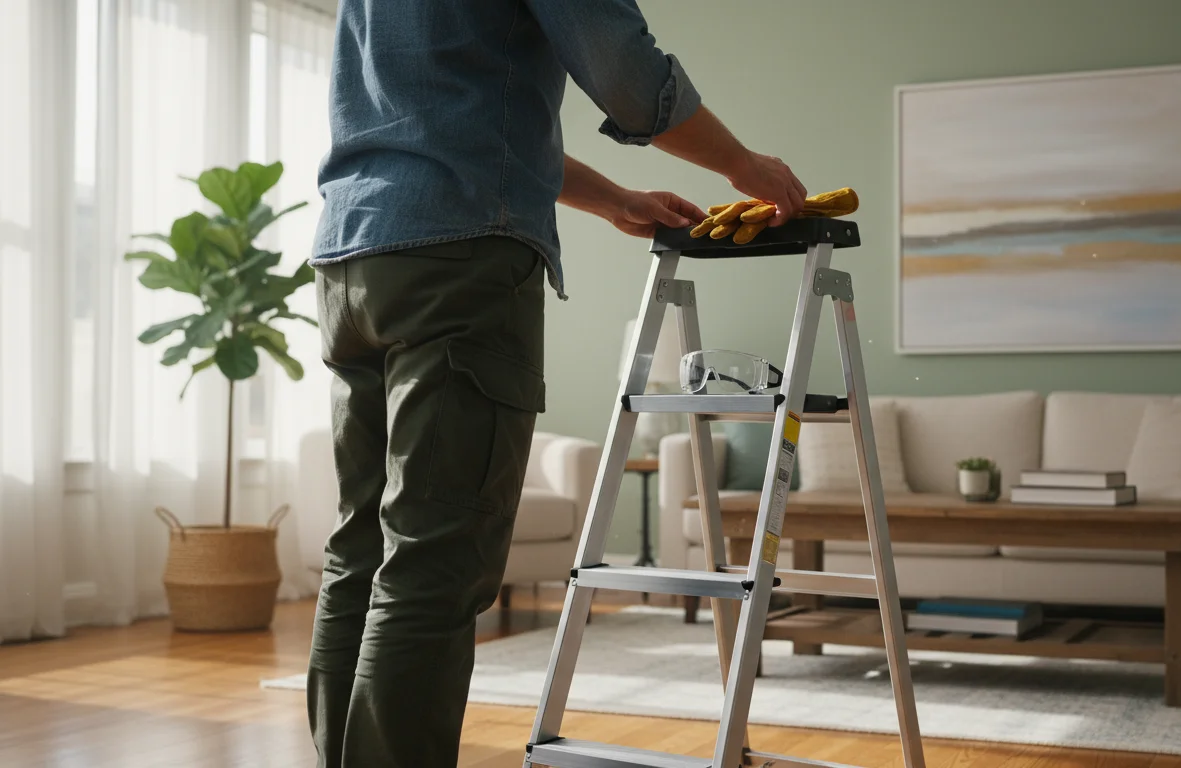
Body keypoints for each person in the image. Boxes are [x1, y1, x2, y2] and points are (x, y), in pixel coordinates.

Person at [304, 1, 806, 765]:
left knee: (362, 554)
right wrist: (745, 165)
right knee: (432, 567)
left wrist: (614, 201)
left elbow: (447, 120)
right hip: (460, 261)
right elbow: (627, 78)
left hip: (353, 258)